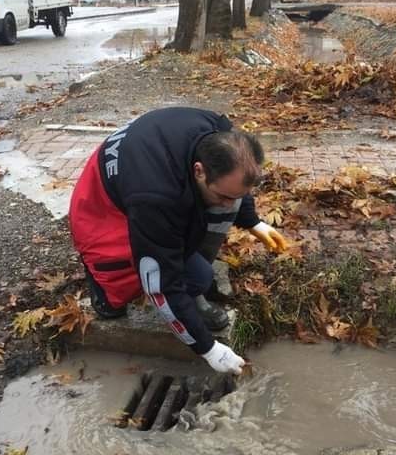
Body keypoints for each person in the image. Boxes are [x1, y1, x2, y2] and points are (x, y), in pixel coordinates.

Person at [68, 107, 287, 375]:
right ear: (199, 171)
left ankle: (193, 288)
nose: (231, 204)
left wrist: (252, 220)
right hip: (101, 212)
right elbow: (160, 287)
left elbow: (235, 186)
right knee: (122, 291)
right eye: (225, 196)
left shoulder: (218, 131)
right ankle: (101, 290)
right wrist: (208, 349)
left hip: (152, 172)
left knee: (198, 275)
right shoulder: (154, 197)